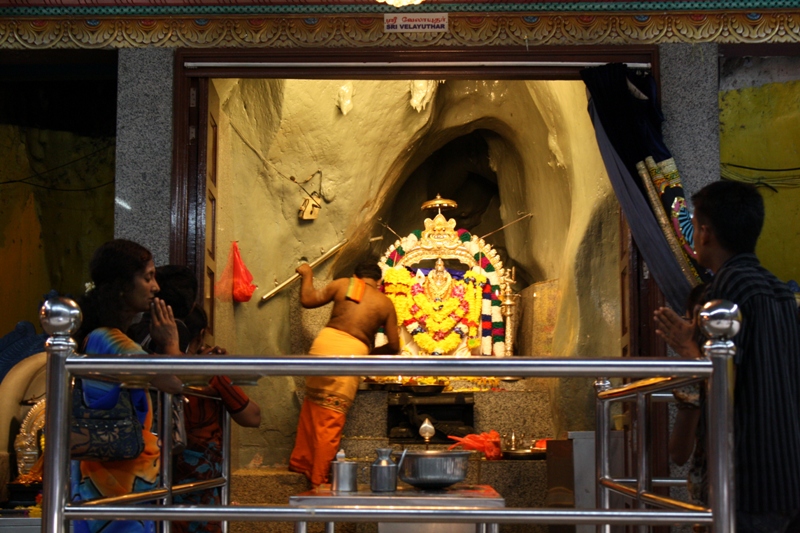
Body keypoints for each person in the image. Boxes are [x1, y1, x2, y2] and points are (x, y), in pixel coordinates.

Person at [654, 180, 800, 532]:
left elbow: (723, 386)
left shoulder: (721, 295)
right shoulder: (781, 292)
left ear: (704, 233)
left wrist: (691, 351)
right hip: (789, 475)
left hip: (746, 478)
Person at [72, 239, 183, 533]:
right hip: (113, 490)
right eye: (147, 277)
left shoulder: (111, 338)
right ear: (122, 285)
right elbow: (173, 381)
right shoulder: (108, 339)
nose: (156, 287)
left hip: (120, 483)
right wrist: (171, 342)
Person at [289, 261, 400, 487]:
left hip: (322, 347)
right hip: (352, 353)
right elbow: (394, 346)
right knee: (331, 416)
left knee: (313, 406)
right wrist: (367, 352)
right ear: (378, 283)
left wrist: (307, 273)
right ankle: (319, 480)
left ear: (355, 275)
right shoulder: (385, 302)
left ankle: (302, 463)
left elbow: (308, 299)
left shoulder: (343, 284)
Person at [172, 305, 261, 533]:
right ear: (201, 334)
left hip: (160, 474)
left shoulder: (150, 363)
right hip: (200, 480)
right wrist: (224, 373)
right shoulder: (209, 372)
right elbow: (252, 417)